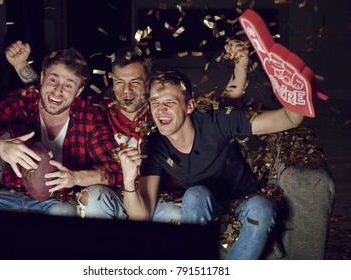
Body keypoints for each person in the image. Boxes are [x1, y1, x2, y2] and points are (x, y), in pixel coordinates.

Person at [4, 40, 249, 221]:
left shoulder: (163, 112)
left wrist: (240, 67)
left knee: (175, 214)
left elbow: (223, 111)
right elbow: (57, 95)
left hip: (158, 198)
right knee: (93, 199)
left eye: (135, 82)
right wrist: (21, 66)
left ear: (148, 83)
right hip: (113, 196)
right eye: (120, 82)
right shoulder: (99, 110)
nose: (127, 91)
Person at [118, 69, 305, 259]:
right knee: (195, 194)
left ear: (189, 106)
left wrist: (295, 90)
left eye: (170, 102)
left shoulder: (217, 121)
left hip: (244, 199)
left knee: (263, 207)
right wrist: (128, 180)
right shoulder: (155, 144)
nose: (160, 109)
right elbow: (140, 217)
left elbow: (288, 119)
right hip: (203, 204)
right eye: (155, 103)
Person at [0, 47, 121, 216]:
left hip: (61, 199)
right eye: (53, 79)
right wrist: (0, 146)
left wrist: (76, 177)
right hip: (12, 193)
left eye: (68, 85)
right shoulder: (22, 101)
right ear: (43, 77)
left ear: (78, 91)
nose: (58, 91)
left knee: (63, 214)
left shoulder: (89, 116)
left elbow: (114, 170)